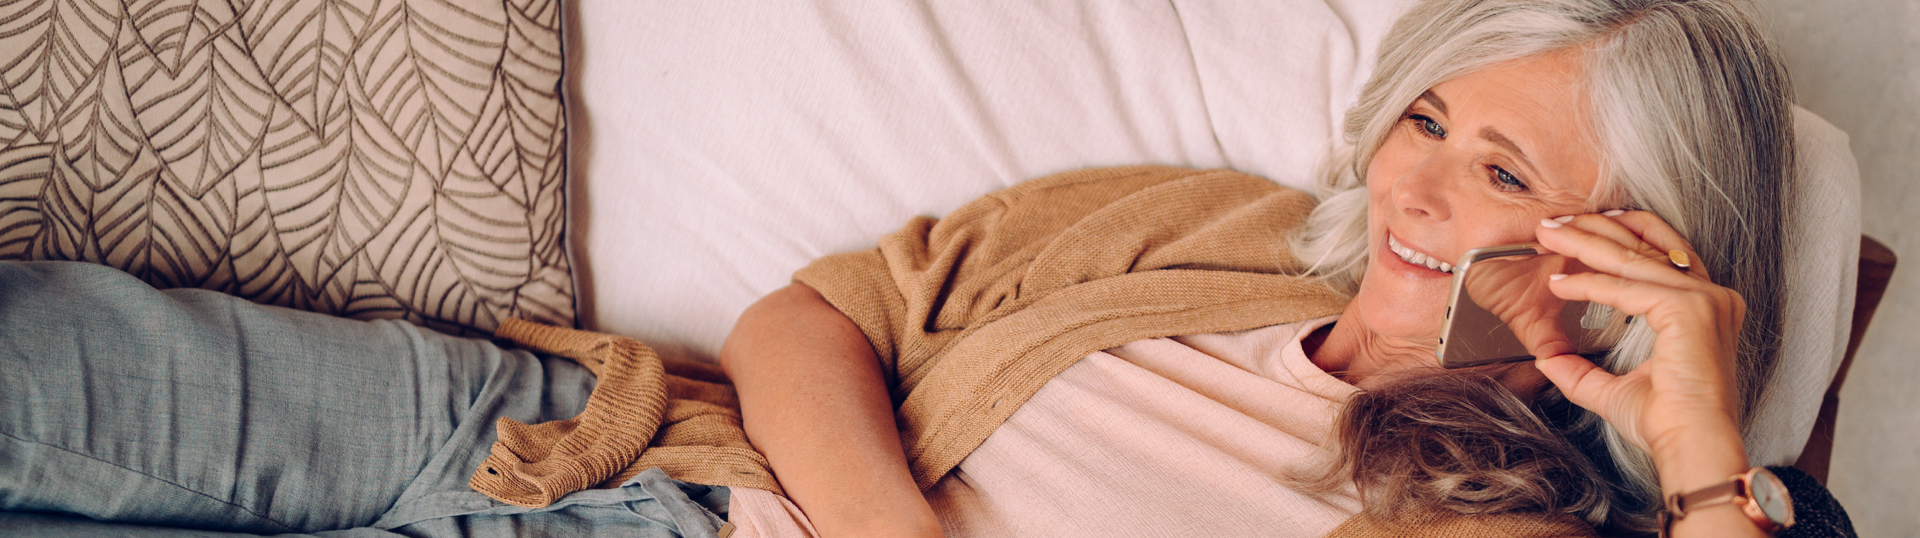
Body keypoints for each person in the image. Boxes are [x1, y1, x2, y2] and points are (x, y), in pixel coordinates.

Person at [0, 0, 1858, 537]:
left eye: (1506, 166)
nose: (1420, 183)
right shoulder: (1200, 227)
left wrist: (1700, 448)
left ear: (1640, 251)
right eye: (1429, 116)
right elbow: (807, 320)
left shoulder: (1510, 504)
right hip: (612, 445)